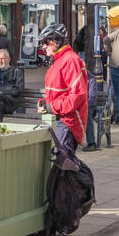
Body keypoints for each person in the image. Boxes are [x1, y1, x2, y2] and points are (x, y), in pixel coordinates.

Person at [38, 23, 87, 155]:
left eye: (46, 42)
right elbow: (58, 91)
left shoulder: (70, 60)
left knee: (64, 164)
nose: (43, 46)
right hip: (60, 119)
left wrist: (51, 107)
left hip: (68, 122)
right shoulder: (58, 60)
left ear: (57, 42)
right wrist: (44, 102)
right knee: (62, 165)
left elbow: (76, 96)